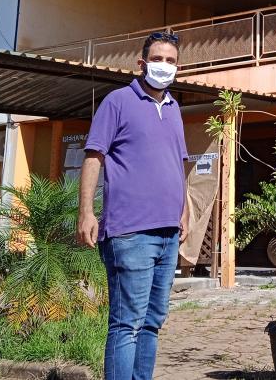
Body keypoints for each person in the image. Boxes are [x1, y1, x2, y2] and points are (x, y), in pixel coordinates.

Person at [77, 31, 189, 380]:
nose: (164, 66)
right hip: (129, 233)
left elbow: (178, 163)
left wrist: (183, 212)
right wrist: (86, 211)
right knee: (128, 323)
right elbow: (95, 155)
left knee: (153, 322)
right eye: (158, 59)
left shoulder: (174, 109)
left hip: (168, 233)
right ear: (141, 63)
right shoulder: (118, 101)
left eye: (171, 61)